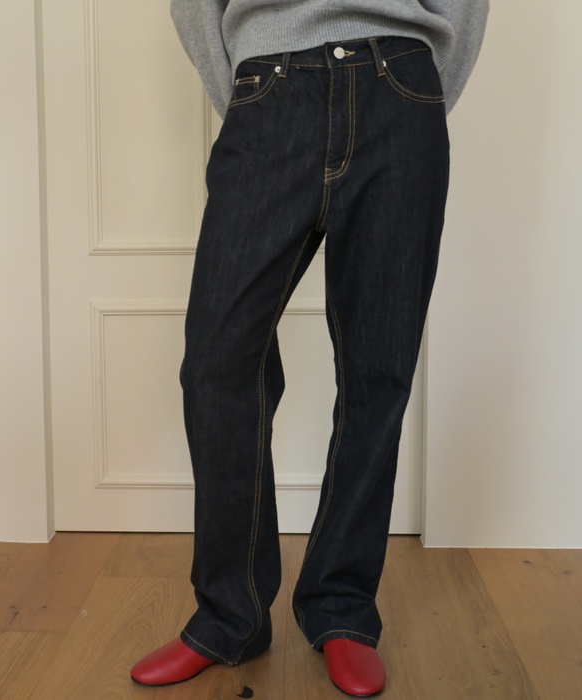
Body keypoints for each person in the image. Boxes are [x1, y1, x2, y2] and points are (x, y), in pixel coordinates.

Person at [131, 1, 488, 696]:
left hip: (400, 87)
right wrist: (252, 88)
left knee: (377, 370)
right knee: (217, 363)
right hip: (269, 91)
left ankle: (342, 609)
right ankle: (229, 615)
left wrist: (417, 95)